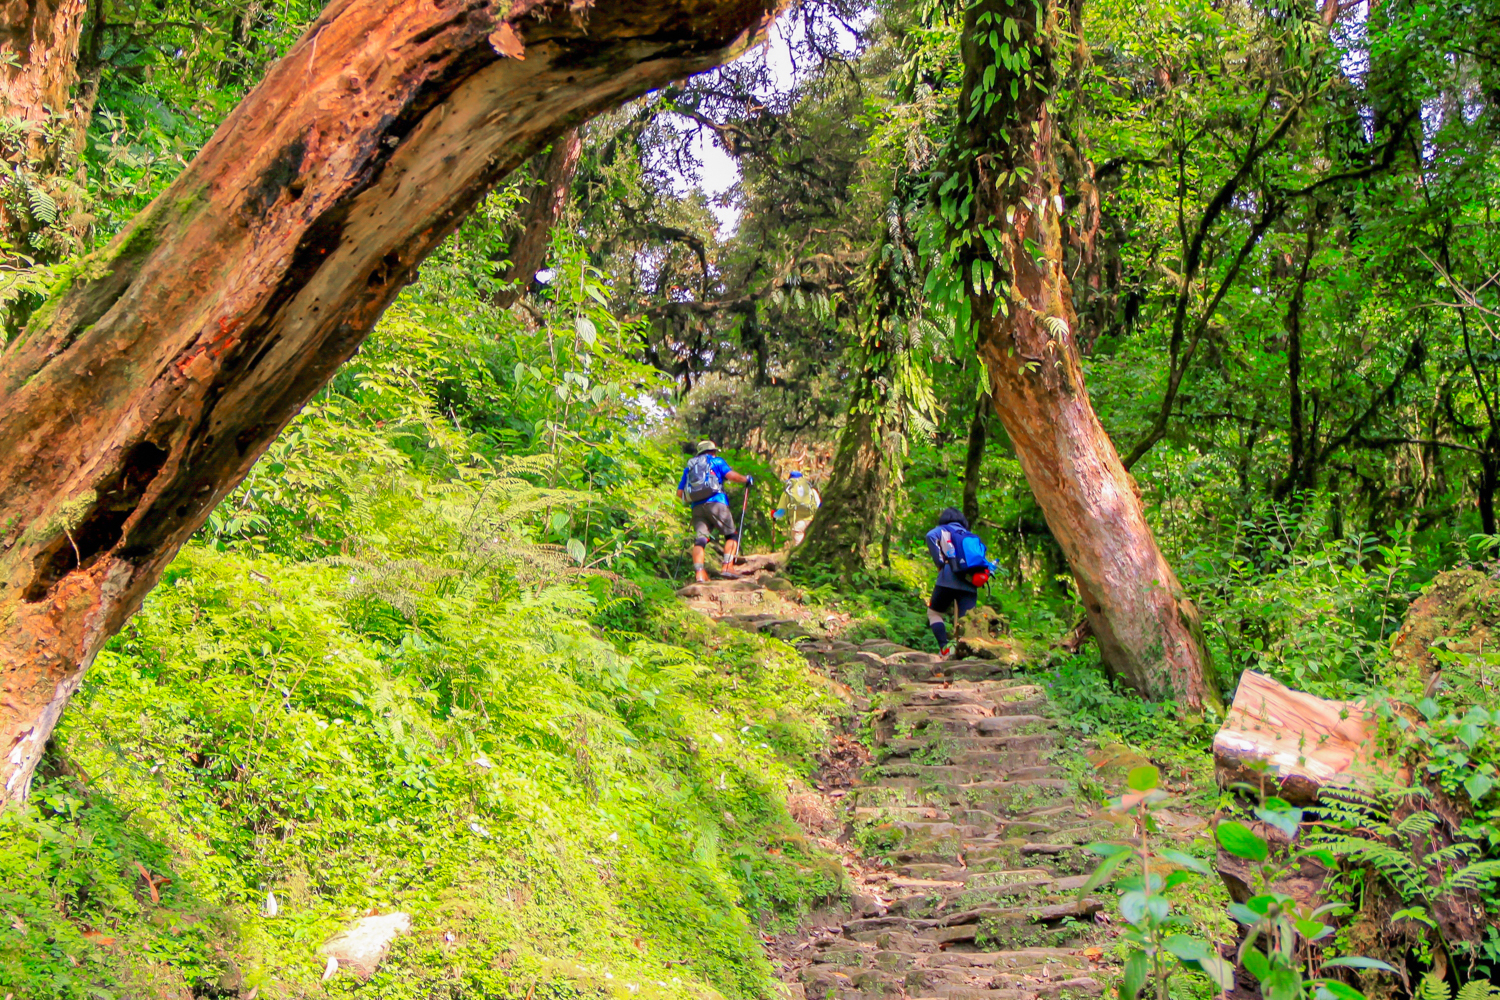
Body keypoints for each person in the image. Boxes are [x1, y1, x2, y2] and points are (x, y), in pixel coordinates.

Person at [677, 440, 753, 582]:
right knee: (731, 535)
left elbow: (680, 493)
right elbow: (731, 476)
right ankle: (727, 567)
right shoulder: (717, 461)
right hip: (717, 503)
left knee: (700, 539)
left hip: (697, 508)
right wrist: (746, 479)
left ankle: (699, 573)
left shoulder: (690, 468)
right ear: (712, 451)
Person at [924, 507, 979, 658]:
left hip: (947, 578)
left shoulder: (942, 530)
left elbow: (930, 536)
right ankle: (965, 654)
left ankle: (945, 648)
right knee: (966, 621)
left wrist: (940, 562)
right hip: (970, 582)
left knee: (934, 612)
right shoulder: (969, 536)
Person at [773, 470, 822, 547]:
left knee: (798, 548)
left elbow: (780, 513)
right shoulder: (812, 490)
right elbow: (819, 505)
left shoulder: (787, 493)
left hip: (797, 523)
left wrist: (773, 514)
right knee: (812, 545)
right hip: (812, 521)